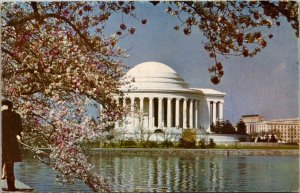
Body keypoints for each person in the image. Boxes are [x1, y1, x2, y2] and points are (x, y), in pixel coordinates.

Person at [1, 99, 23, 191]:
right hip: (10, 143)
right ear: (11, 106)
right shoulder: (16, 116)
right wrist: (18, 136)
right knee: (10, 166)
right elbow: (19, 130)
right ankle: (11, 187)